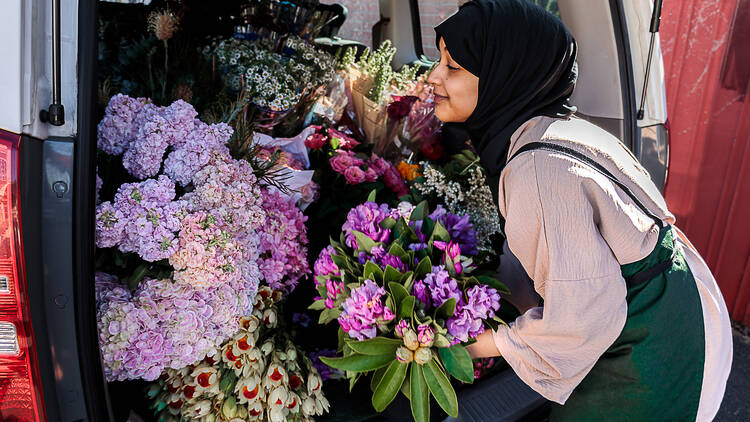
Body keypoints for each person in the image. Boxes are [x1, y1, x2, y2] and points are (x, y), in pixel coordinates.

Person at [426, 1, 733, 421]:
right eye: (438, 59)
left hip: (651, 350)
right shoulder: (560, 127)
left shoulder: (538, 168)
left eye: (453, 66)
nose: (433, 76)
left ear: (505, 73)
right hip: (677, 307)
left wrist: (466, 345)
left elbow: (580, 316)